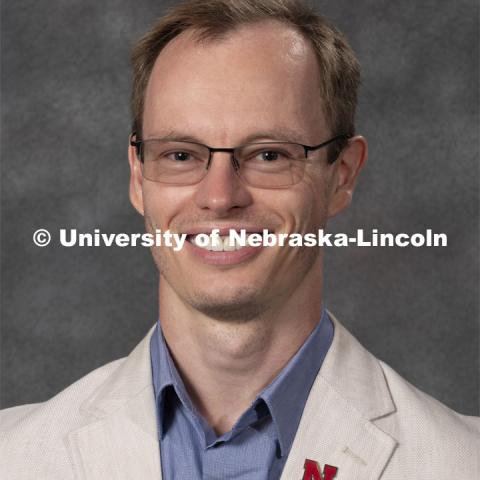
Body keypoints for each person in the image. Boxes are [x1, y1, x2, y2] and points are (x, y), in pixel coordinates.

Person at [1, 0, 478, 479]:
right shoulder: (14, 456)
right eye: (181, 155)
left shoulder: (461, 462)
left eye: (269, 154)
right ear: (137, 175)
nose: (220, 196)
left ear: (343, 175)